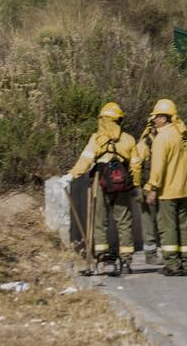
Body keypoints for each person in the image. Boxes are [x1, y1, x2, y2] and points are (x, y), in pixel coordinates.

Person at [63, 101, 140, 275]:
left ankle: (101, 258)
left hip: (101, 182)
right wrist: (135, 185)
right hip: (122, 185)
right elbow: (136, 165)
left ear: (102, 119)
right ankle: (126, 263)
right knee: (124, 222)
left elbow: (85, 160)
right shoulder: (128, 139)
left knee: (99, 221)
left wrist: (71, 175)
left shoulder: (96, 138)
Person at [144, 98, 187, 276]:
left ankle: (172, 265)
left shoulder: (163, 137)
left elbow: (158, 166)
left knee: (168, 228)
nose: (154, 120)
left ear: (164, 118)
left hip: (167, 191)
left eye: (156, 117)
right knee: (185, 227)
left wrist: (152, 188)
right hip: (185, 189)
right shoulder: (186, 135)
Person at [133, 114, 162, 264]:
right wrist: (137, 187)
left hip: (162, 189)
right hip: (147, 188)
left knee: (163, 222)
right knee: (149, 223)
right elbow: (136, 166)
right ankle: (150, 255)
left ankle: (167, 253)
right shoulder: (144, 145)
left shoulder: (163, 142)